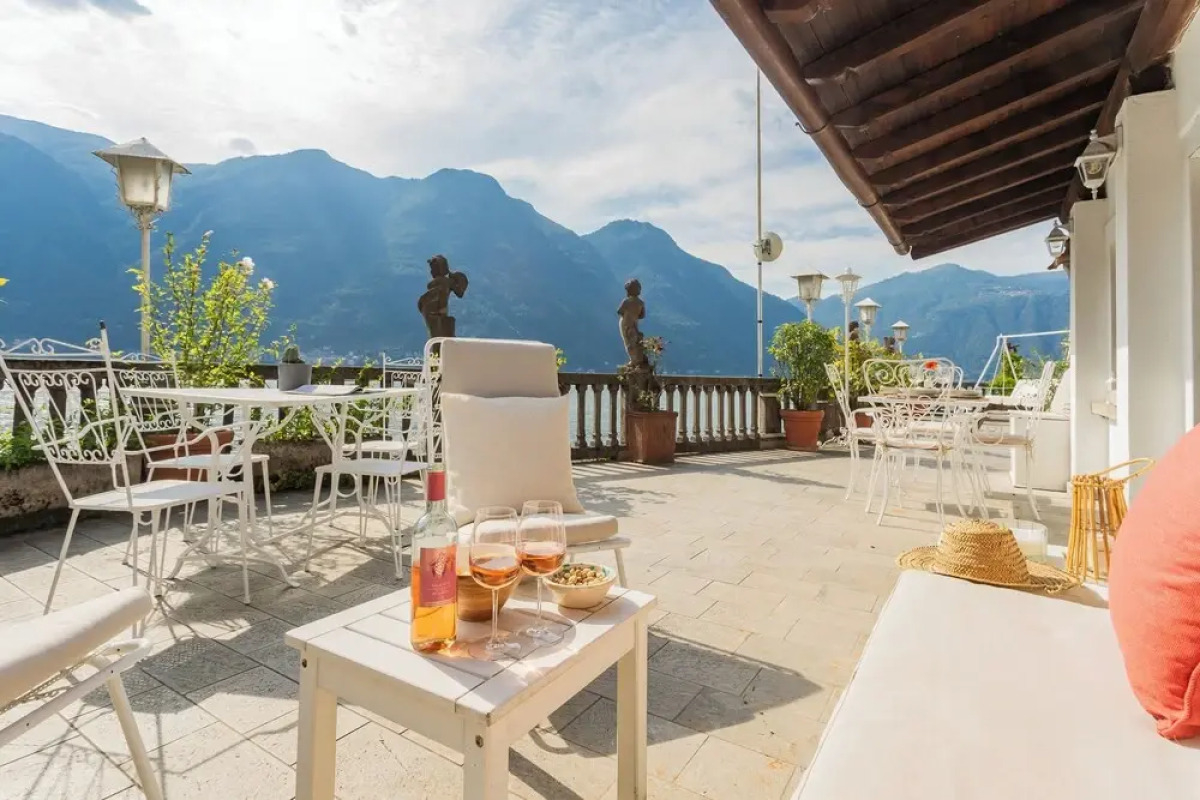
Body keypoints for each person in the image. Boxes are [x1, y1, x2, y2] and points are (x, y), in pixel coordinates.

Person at [617, 278, 646, 366]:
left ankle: (633, 360)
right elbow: (642, 315)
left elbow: (619, 311)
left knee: (628, 341)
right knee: (634, 341)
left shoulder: (626, 301)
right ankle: (637, 359)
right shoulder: (641, 303)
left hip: (625, 324)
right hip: (635, 324)